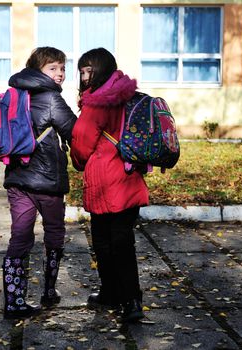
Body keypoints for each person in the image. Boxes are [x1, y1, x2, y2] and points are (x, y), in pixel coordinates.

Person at [70, 47, 149, 323]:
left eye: (86, 70)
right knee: (124, 243)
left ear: (97, 71)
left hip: (106, 185)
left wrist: (79, 162)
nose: (82, 76)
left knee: (105, 243)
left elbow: (81, 144)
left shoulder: (96, 104)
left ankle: (113, 294)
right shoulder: (128, 96)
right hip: (130, 180)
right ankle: (131, 300)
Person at [2, 47, 77, 319]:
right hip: (48, 182)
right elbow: (74, 131)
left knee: (19, 237)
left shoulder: (14, 94)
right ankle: (48, 290)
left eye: (62, 68)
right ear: (38, 71)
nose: (59, 74)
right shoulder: (51, 99)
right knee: (54, 234)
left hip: (17, 180)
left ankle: (14, 300)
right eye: (52, 68)